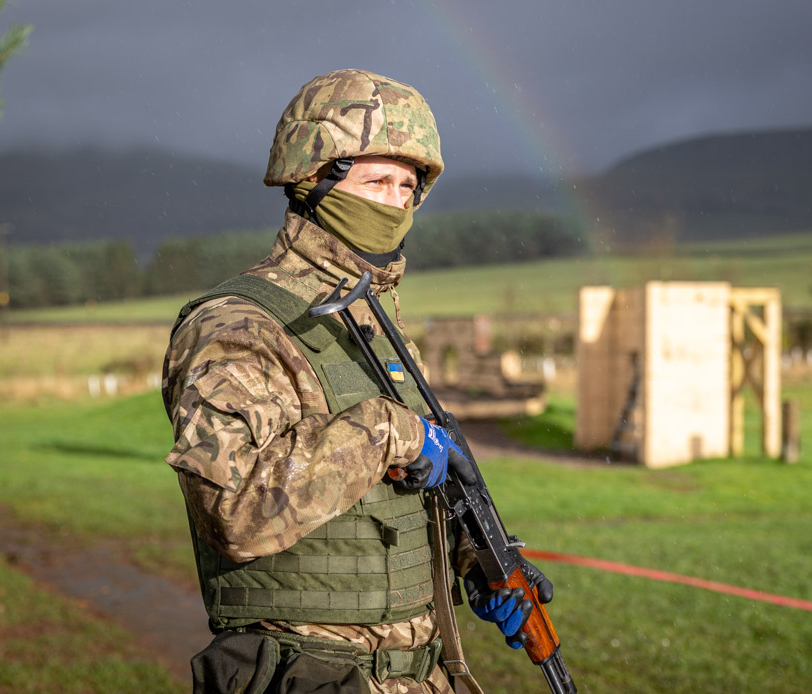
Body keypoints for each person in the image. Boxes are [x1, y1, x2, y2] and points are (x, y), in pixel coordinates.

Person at [162, 69, 553, 694]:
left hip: (419, 678)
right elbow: (233, 514)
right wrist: (384, 433)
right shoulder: (239, 327)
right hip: (303, 674)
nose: (394, 204)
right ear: (311, 179)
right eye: (375, 181)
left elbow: (398, 496)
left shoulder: (374, 325)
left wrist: (475, 560)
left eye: (407, 187)